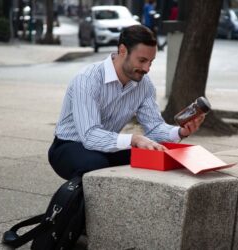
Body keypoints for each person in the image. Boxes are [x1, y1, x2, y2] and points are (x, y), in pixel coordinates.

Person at [48, 25, 205, 180]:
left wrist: (180, 132)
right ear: (123, 51)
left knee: (154, 157)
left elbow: (154, 127)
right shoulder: (87, 79)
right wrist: (134, 139)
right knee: (97, 166)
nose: (147, 68)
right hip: (69, 145)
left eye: (151, 62)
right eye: (142, 60)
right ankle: (75, 203)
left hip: (107, 147)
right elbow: (90, 136)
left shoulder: (145, 85)